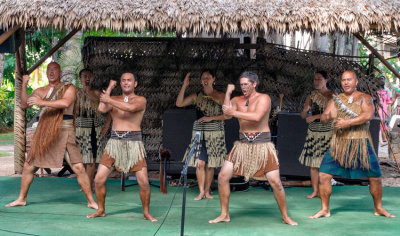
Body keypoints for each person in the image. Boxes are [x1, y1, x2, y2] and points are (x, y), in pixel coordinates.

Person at [209, 71, 297, 225]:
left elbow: (256, 117)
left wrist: (233, 111)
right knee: (223, 176)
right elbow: (227, 114)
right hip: (242, 146)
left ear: (254, 84)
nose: (243, 87)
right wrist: (228, 93)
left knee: (275, 182)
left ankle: (285, 216)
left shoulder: (264, 98)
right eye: (241, 84)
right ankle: (224, 214)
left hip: (262, 145)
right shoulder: (237, 100)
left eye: (246, 84)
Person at [6, 62, 98, 209]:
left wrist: (41, 102)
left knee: (79, 167)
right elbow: (24, 104)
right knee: (29, 166)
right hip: (45, 130)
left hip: (65, 130)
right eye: (49, 69)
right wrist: (24, 84)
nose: (51, 72)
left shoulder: (69, 88)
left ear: (60, 72)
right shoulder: (40, 90)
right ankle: (21, 198)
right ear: (46, 73)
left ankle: (91, 201)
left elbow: (66, 102)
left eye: (54, 69)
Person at [310, 70, 395, 219]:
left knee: (375, 177)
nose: (346, 82)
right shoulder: (336, 99)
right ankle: (325, 209)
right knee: (323, 175)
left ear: (356, 82)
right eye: (343, 80)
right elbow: (325, 117)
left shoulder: (365, 98)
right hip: (339, 143)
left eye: (349, 80)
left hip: (361, 142)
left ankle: (378, 208)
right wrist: (327, 114)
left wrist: (346, 122)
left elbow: (368, 115)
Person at [87, 72, 157, 221]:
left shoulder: (140, 100)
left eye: (129, 80)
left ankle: (146, 212)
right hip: (114, 143)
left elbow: (130, 108)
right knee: (99, 179)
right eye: (123, 80)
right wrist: (110, 89)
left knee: (143, 181)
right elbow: (101, 108)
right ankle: (101, 209)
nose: (126, 83)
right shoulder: (114, 99)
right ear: (120, 83)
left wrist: (109, 99)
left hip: (134, 143)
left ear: (135, 84)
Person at [176, 70, 227, 200]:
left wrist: (211, 118)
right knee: (200, 163)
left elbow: (229, 115)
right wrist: (184, 86)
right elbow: (179, 103)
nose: (205, 80)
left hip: (215, 132)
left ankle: (207, 190)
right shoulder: (196, 96)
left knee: (210, 164)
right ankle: (200, 191)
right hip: (200, 133)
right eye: (203, 78)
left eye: (208, 77)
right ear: (200, 80)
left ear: (213, 79)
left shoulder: (220, 96)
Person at [299, 71, 335, 198]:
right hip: (313, 132)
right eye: (315, 79)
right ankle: (315, 191)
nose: (316, 82)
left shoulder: (332, 95)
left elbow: (332, 114)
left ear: (326, 80)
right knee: (314, 164)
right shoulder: (311, 95)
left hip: (327, 132)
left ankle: (324, 189)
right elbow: (303, 116)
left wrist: (315, 116)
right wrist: (305, 111)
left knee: (325, 163)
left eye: (319, 79)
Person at [76, 69, 110, 190]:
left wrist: (106, 126)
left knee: (91, 159)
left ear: (93, 78)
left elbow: (110, 109)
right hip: (80, 129)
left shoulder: (97, 93)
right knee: (83, 158)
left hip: (93, 129)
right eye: (84, 76)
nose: (87, 78)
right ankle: (87, 183)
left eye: (89, 76)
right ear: (80, 78)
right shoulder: (76, 93)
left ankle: (89, 185)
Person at [376, 76, 392, 146]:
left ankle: (382, 141)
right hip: (382, 109)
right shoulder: (385, 93)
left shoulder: (377, 92)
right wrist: (389, 112)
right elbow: (389, 104)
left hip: (380, 109)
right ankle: (382, 141)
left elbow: (388, 103)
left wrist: (389, 112)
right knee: (382, 124)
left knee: (381, 125)